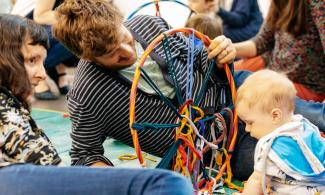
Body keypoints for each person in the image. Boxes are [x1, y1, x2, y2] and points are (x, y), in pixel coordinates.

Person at [0, 13, 194, 195]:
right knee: (169, 184)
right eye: (32, 60)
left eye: (42, 62)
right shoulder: (6, 110)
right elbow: (83, 154)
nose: (42, 74)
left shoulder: (153, 27)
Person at [52, 0, 236, 168]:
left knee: (261, 89)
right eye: (111, 53)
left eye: (122, 36)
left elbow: (199, 59)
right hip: (206, 150)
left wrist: (219, 57)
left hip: (230, 100)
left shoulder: (149, 25)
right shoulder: (87, 94)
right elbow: (84, 156)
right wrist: (124, 182)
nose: (126, 51)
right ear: (88, 57)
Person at [234, 70, 325, 195]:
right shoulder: (303, 126)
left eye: (250, 123)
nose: (247, 129)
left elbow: (257, 182)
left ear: (275, 116)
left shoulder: (270, 148)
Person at [234, 0, 325, 102]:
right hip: (272, 66)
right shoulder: (278, 2)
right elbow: (262, 42)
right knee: (224, 72)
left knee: (250, 96)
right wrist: (230, 49)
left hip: (304, 84)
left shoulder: (318, 3)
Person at [28, 0, 79, 100]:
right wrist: (79, 18)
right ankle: (37, 73)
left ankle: (59, 70)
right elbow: (40, 15)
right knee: (75, 32)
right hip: (21, 25)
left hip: (45, 25)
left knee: (88, 32)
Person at [188, 0, 263, 43]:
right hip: (235, 31)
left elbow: (240, 20)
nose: (189, 3)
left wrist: (219, 10)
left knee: (215, 33)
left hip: (252, 32)